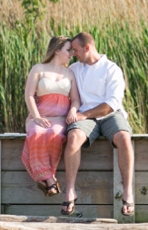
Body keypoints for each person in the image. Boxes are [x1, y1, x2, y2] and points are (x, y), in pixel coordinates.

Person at [62, 32, 135, 217]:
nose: (73, 54)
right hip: (85, 118)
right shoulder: (74, 69)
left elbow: (111, 104)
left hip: (109, 115)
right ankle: (70, 191)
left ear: (87, 48)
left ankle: (127, 191)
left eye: (76, 50)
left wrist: (83, 114)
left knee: (125, 138)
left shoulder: (111, 69)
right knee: (73, 137)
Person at [21, 35, 81, 197]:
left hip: (60, 119)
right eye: (68, 50)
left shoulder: (69, 73)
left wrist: (73, 111)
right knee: (36, 133)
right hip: (38, 116)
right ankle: (49, 179)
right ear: (56, 51)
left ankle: (47, 180)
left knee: (54, 134)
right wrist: (37, 117)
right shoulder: (38, 69)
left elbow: (75, 100)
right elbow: (29, 96)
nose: (71, 54)